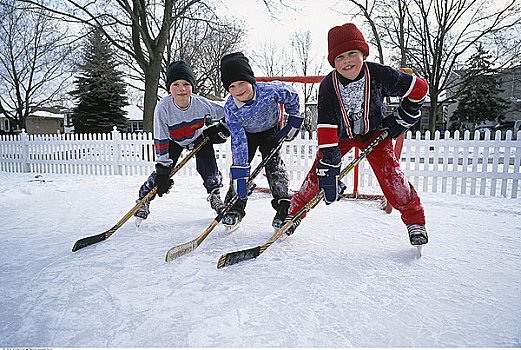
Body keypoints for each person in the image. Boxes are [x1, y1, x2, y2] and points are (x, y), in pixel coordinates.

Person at [284, 23, 429, 247]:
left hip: (375, 134)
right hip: (340, 135)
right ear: (333, 62)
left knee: (392, 178)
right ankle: (293, 214)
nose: (347, 61)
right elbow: (326, 125)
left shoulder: (380, 74)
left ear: (363, 53)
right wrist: (330, 162)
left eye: (353, 53)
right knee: (317, 176)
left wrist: (404, 115)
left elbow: (420, 88)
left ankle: (415, 221)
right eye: (339, 57)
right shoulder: (328, 86)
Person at [134, 60, 230, 225]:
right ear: (169, 88)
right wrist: (163, 167)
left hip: (198, 137)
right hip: (173, 140)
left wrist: (221, 128)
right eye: (176, 84)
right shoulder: (163, 108)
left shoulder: (202, 104)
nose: (182, 89)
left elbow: (228, 113)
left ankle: (215, 195)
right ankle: (144, 200)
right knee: (162, 174)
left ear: (192, 86)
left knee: (208, 167)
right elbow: (161, 138)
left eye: (186, 83)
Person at [219, 52, 303, 232]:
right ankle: (234, 206)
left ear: (251, 80)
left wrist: (294, 119)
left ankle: (283, 206)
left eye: (242, 83)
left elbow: (292, 96)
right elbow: (238, 141)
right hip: (246, 135)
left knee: (274, 168)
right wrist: (241, 172)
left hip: (271, 131)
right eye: (232, 86)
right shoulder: (231, 108)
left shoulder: (270, 91)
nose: (239, 90)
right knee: (238, 172)